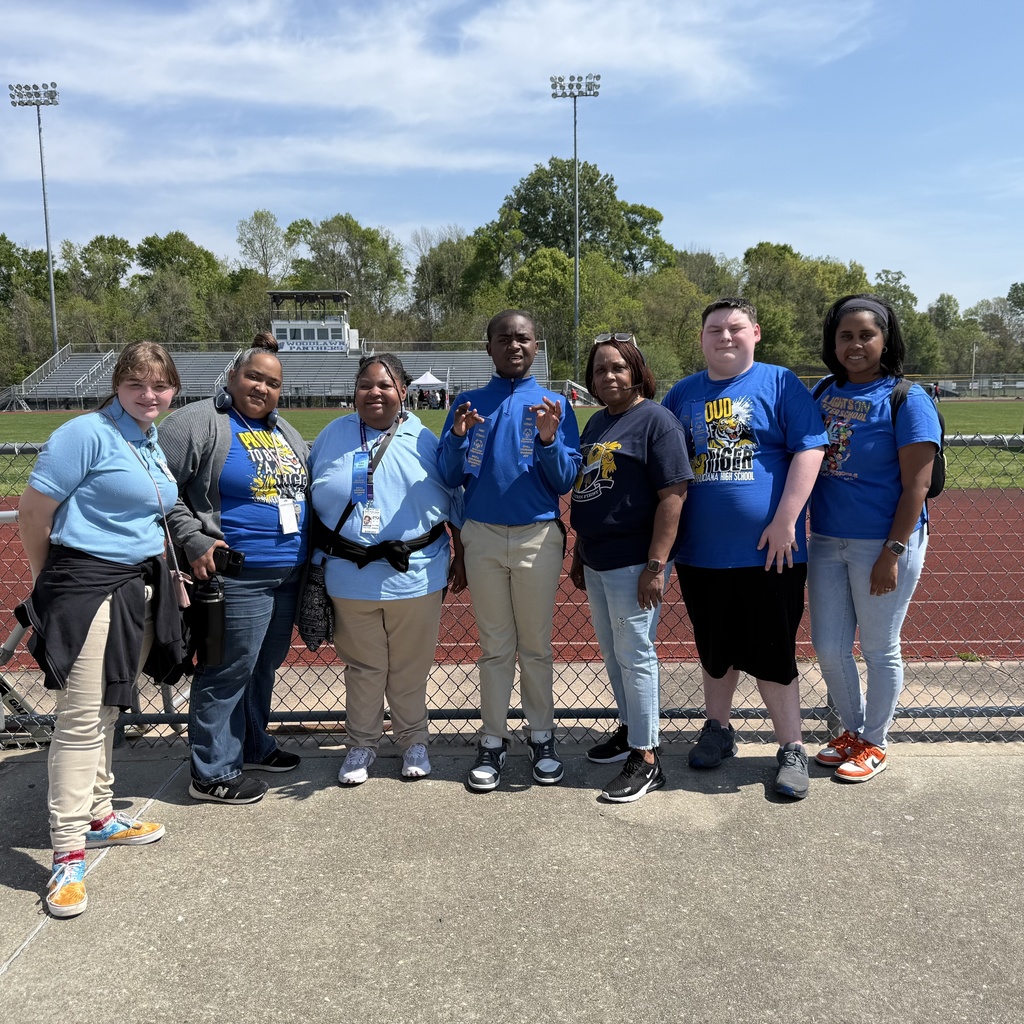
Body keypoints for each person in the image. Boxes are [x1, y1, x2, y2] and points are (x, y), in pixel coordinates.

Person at [17, 342, 185, 918]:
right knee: (80, 720)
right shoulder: (85, 433)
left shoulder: (147, 438)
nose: (149, 394)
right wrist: (50, 584)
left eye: (160, 385)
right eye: (136, 384)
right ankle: (67, 854)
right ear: (116, 385)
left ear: (173, 389)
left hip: (134, 585)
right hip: (85, 584)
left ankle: (99, 815)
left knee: (109, 707)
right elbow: (33, 513)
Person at [662, 298, 827, 800]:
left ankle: (791, 746)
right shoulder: (682, 393)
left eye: (735, 328)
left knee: (774, 653)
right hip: (701, 553)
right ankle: (718, 729)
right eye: (715, 330)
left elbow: (811, 448)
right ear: (701, 339)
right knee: (716, 651)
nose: (725, 337)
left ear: (755, 332)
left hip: (771, 552)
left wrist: (785, 520)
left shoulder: (780, 383)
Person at [160, 334, 308, 805]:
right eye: (253, 377)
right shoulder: (198, 422)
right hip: (236, 575)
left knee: (262, 666)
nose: (262, 388)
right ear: (232, 376)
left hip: (285, 574)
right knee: (226, 671)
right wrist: (193, 536)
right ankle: (212, 772)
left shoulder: (285, 432)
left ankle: (252, 745)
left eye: (273, 383)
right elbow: (156, 487)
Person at [438, 309, 581, 792]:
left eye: (523, 338)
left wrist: (548, 440)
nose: (514, 345)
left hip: (536, 536)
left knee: (536, 646)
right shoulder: (468, 403)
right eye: (504, 338)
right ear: (489, 347)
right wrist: (457, 437)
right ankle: (493, 739)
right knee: (495, 647)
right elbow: (449, 475)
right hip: (481, 536)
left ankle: (542, 736)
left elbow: (564, 480)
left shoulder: (554, 403)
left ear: (536, 345)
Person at [309, 353, 460, 785]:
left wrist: (464, 554)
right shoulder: (332, 435)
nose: (374, 392)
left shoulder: (424, 438)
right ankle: (362, 743)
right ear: (354, 391)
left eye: (385, 385)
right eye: (365, 385)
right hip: (348, 575)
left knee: (410, 667)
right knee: (363, 668)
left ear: (403, 392)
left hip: (415, 575)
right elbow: (310, 504)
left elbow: (454, 499)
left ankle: (413, 740)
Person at [808, 294, 941, 782]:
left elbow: (917, 486)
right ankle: (852, 732)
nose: (855, 344)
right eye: (845, 335)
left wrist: (893, 551)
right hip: (826, 539)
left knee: (880, 648)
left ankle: (875, 742)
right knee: (829, 647)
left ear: (886, 340)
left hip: (883, 543)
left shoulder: (907, 398)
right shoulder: (824, 390)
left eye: (867, 335)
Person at [569, 333, 692, 802]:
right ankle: (629, 729)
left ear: (637, 371)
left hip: (635, 560)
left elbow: (673, 496)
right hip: (598, 558)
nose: (609, 376)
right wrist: (580, 551)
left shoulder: (657, 421)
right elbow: (590, 492)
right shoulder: (598, 421)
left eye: (618, 367)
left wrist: (655, 565)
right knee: (613, 651)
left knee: (636, 653)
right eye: (600, 369)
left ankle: (647, 757)